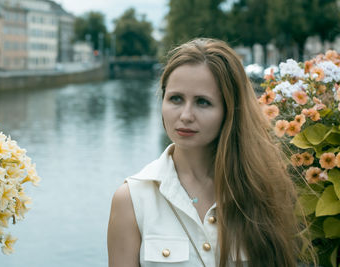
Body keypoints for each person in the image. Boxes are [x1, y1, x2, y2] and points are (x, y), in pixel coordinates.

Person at [107, 38, 312, 267]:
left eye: (202, 102)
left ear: (230, 110)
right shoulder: (133, 199)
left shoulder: (264, 187)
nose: (185, 115)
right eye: (176, 98)